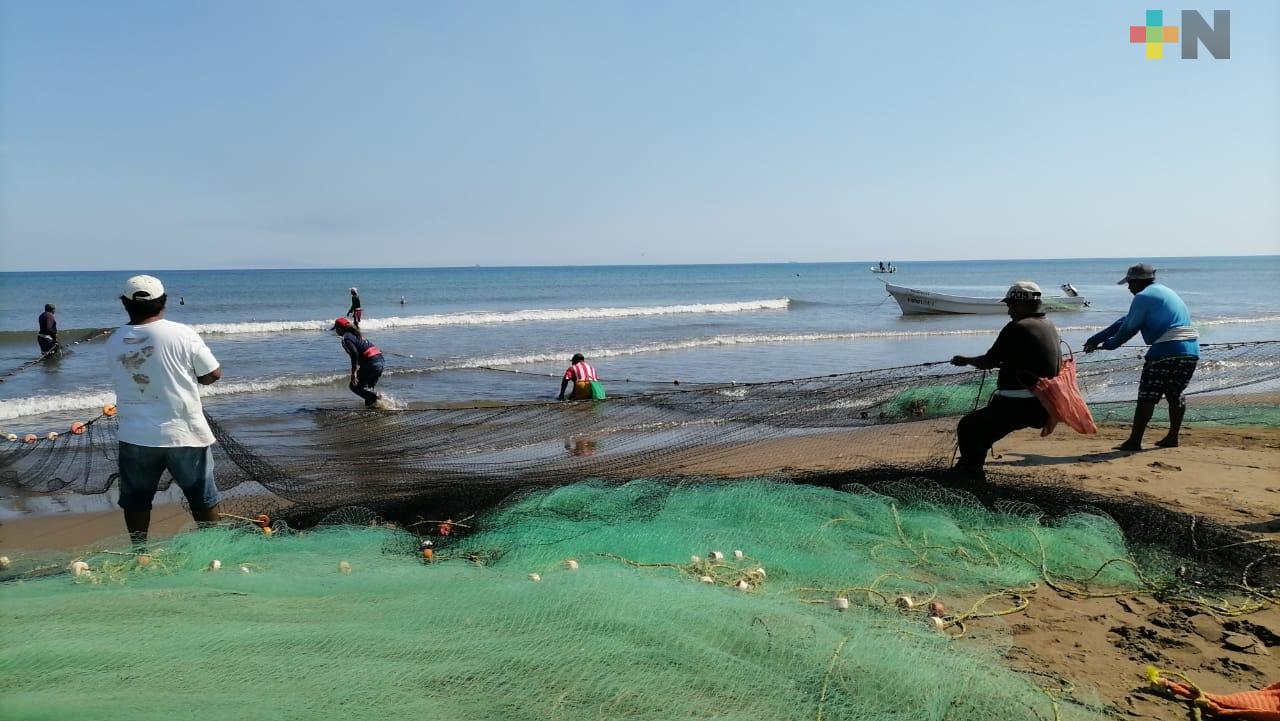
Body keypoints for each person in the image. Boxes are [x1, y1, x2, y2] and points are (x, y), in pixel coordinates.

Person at [103, 275, 223, 544]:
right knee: (201, 497)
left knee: (136, 500)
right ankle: (214, 549)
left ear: (125, 303)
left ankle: (139, 552)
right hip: (184, 433)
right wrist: (193, 377)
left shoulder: (114, 341)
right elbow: (213, 373)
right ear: (163, 302)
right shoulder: (182, 333)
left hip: (136, 435)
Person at [949, 281, 1061, 476]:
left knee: (969, 426)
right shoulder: (1048, 324)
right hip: (1044, 404)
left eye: (1011, 305)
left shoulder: (1017, 327)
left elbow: (988, 360)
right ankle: (970, 467)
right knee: (984, 430)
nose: (1009, 310)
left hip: (1021, 403)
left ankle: (970, 473)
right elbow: (1031, 357)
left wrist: (965, 360)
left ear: (1022, 304)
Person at [1084, 263, 1199, 450]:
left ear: (1138, 282)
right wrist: (1096, 338)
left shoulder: (1143, 296)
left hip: (1165, 351)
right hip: (1191, 351)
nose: (1129, 287)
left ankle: (1135, 441)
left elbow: (1129, 328)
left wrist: (1110, 345)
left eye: (1130, 283)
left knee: (1147, 396)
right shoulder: (1164, 292)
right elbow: (1125, 320)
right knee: (1175, 394)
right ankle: (1172, 437)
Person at [332, 316, 384, 407]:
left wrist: (354, 372)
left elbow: (354, 353)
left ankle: (380, 398)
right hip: (380, 361)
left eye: (336, 329)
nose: (336, 332)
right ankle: (373, 409)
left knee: (354, 386)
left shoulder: (346, 338)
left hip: (372, 363)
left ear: (339, 328)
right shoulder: (356, 334)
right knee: (367, 392)